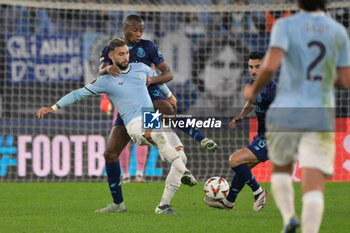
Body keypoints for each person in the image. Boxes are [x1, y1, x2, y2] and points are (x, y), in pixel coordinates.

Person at [36, 38, 197, 214]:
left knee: (179, 153)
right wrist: (53, 107)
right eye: (121, 54)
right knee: (157, 138)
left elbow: (158, 81)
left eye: (127, 53)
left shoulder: (141, 68)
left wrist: (170, 95)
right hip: (133, 123)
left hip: (151, 117)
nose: (126, 57)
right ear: (111, 56)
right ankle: (184, 174)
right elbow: (77, 94)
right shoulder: (105, 80)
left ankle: (162, 205)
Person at [244, 0, 350, 232]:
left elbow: (269, 68)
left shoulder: (286, 25)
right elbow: (345, 80)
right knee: (313, 183)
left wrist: (253, 89)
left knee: (281, 170)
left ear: (298, 3)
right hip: (320, 113)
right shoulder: (338, 31)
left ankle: (289, 217)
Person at [100, 14, 218, 153]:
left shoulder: (148, 47)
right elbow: (101, 72)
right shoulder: (110, 49)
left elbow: (166, 74)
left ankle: (202, 139)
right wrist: (108, 70)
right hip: (127, 99)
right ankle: (130, 171)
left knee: (168, 113)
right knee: (111, 153)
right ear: (125, 28)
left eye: (141, 31)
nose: (138, 34)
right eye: (135, 30)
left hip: (149, 91)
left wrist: (159, 87)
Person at [204, 51, 274, 211]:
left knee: (234, 160)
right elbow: (251, 102)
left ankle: (259, 192)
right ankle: (229, 202)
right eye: (250, 67)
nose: (253, 70)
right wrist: (241, 116)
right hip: (262, 135)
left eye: (258, 67)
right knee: (244, 167)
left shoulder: (273, 90)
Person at [191, 35, 250, 116]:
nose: (226, 76)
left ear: (242, 73)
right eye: (217, 65)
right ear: (201, 72)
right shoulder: (187, 120)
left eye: (234, 66)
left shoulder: (254, 117)